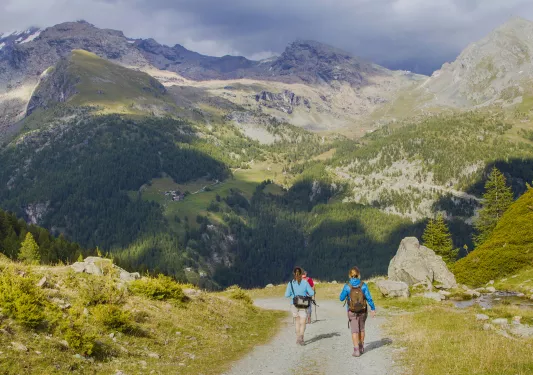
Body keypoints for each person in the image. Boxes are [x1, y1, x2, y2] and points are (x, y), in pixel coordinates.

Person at [339, 266, 376, 357]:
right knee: (362, 329)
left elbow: (341, 298)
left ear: (349, 275)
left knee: (354, 330)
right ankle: (361, 346)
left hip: (352, 311)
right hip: (363, 311)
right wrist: (373, 308)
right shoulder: (363, 285)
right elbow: (369, 298)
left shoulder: (347, 286)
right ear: (358, 275)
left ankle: (356, 350)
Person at [285, 266, 315, 345]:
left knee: (297, 322)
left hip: (294, 304)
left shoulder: (290, 283)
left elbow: (286, 295)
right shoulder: (305, 283)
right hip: (303, 305)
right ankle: (301, 337)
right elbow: (312, 293)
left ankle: (298, 338)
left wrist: (293, 296)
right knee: (303, 322)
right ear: (302, 274)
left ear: (294, 274)